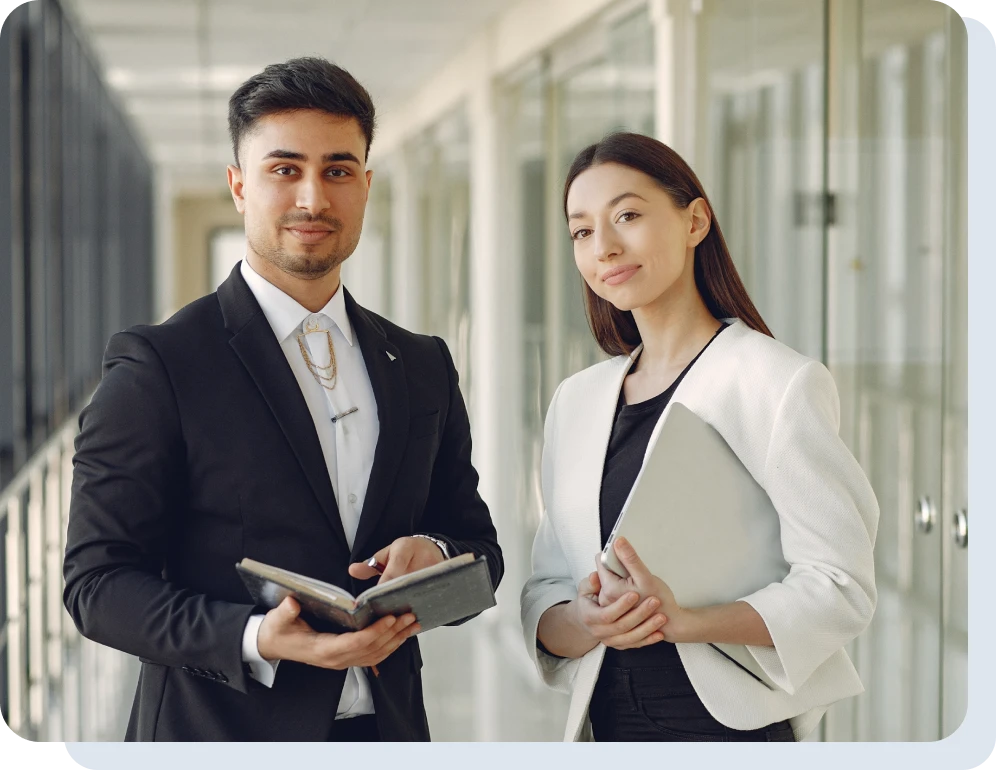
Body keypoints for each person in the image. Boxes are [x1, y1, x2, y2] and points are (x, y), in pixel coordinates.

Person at [63, 56, 502, 742]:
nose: (312, 199)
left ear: (365, 184)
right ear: (239, 186)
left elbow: (482, 552)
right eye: (284, 169)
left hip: (387, 734)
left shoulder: (421, 365)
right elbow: (96, 585)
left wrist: (439, 552)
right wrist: (256, 636)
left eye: (337, 170)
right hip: (219, 735)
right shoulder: (161, 365)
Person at [520, 132, 878, 742]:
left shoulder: (774, 381)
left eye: (627, 216)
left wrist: (687, 621)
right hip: (603, 725)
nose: (604, 247)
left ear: (695, 220)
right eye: (582, 231)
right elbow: (545, 592)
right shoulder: (576, 400)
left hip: (721, 728)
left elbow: (840, 586)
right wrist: (586, 619)